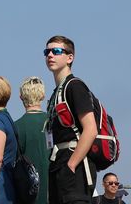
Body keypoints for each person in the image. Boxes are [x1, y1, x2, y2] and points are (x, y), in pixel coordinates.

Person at [45, 35, 98, 204]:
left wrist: (71, 165)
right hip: (57, 163)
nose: (50, 55)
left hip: (74, 167)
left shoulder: (75, 86)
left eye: (57, 51)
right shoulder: (56, 93)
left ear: (70, 57)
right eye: (47, 51)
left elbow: (90, 129)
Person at [14, 76, 49, 204]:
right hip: (54, 192)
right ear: (43, 96)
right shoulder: (54, 122)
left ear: (21, 97)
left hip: (26, 194)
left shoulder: (15, 127)